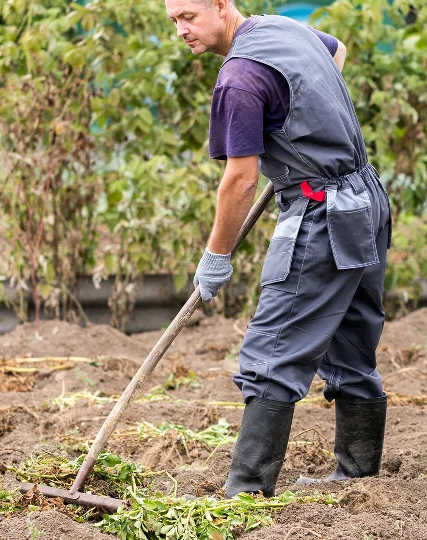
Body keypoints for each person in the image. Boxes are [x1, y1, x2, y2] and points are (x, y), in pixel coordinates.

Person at [165, 0, 392, 498]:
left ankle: (245, 491)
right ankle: (357, 475)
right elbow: (338, 52)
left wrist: (216, 256)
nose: (181, 30)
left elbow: (240, 181)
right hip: (365, 199)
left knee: (272, 348)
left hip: (323, 215)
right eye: (174, 21)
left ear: (222, 5)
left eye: (189, 16)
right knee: (352, 335)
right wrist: (301, 137)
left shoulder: (240, 78)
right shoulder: (283, 29)